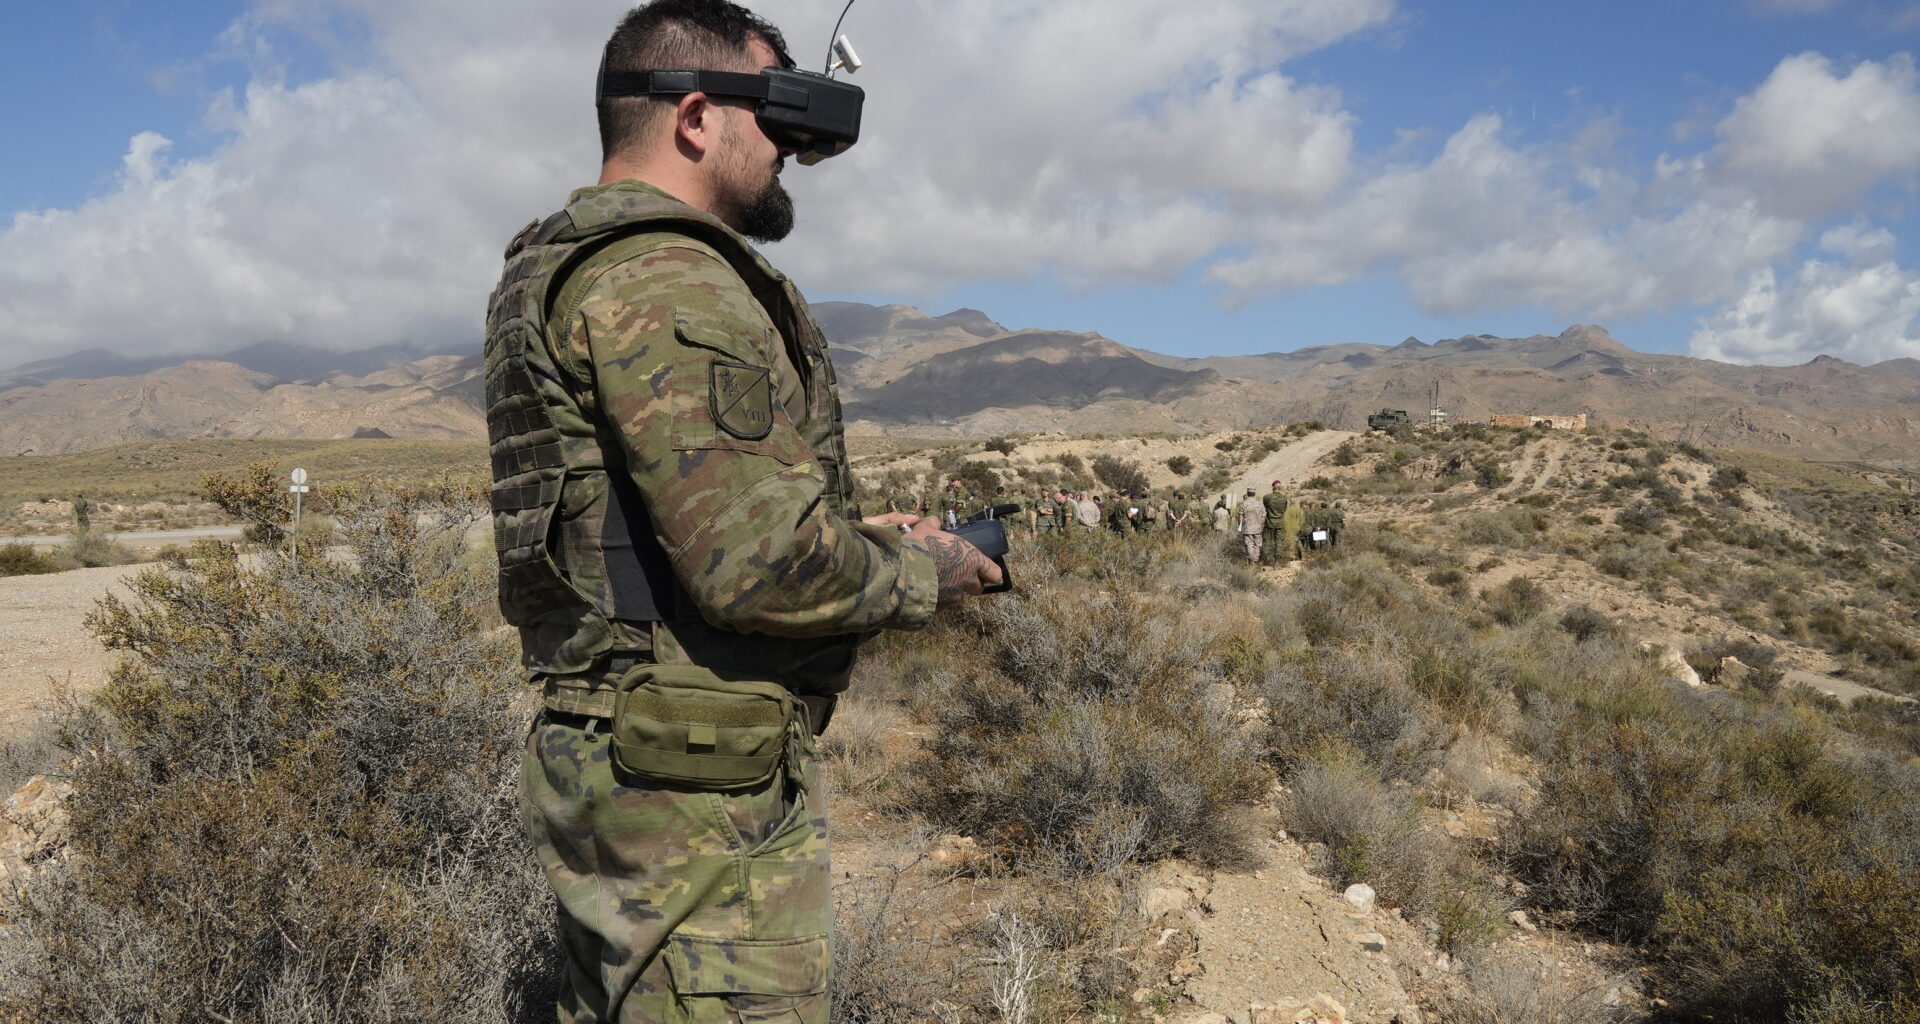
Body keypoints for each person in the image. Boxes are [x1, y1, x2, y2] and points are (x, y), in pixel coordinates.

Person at [484, 5, 1003, 1021]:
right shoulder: (669, 277)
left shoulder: (559, 270)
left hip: (629, 767)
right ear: (693, 117)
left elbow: (654, 535)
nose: (788, 157)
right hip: (698, 800)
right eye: (773, 115)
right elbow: (757, 563)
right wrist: (922, 570)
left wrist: (854, 539)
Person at [1260, 480, 1289, 566]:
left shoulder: (1266, 497)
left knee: (1266, 542)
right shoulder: (1284, 498)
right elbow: (1284, 510)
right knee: (1279, 542)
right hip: (1280, 523)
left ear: (1273, 487)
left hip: (1269, 522)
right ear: (1280, 488)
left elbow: (1265, 508)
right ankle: (1277, 562)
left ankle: (1262, 562)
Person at [1237, 488, 1264, 562]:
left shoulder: (1243, 503)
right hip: (1257, 528)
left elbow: (1240, 517)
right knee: (1257, 545)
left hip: (1247, 528)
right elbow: (1263, 516)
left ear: (1247, 493)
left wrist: (1240, 527)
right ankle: (1255, 560)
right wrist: (1261, 525)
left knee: (1249, 544)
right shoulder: (1260, 503)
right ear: (1254, 494)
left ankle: (1251, 561)